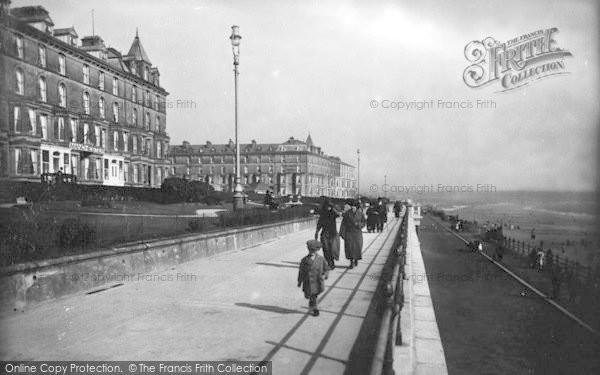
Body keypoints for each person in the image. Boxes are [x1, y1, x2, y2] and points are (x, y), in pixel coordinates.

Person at [297, 240, 329, 317]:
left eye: (313, 250)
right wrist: (299, 281)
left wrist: (325, 275)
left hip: (318, 281)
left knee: (315, 294)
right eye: (310, 250)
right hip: (308, 282)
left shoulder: (321, 259)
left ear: (317, 250)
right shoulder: (304, 260)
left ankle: (313, 305)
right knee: (312, 295)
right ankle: (315, 308)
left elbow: (326, 268)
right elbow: (301, 271)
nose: (312, 252)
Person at [340, 199, 366, 269]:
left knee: (357, 248)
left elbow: (364, 222)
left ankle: (356, 259)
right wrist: (342, 233)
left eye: (354, 206)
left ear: (357, 207)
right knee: (350, 248)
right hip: (349, 233)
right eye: (352, 206)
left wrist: (359, 224)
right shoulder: (347, 214)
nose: (353, 207)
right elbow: (343, 224)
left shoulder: (360, 213)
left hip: (357, 234)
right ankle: (351, 262)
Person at [315, 199, 341, 270]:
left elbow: (338, 214)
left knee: (332, 249)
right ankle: (328, 263)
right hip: (325, 234)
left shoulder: (333, 213)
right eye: (327, 206)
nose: (328, 208)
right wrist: (317, 231)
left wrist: (333, 209)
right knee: (326, 249)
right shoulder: (323, 214)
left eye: (330, 206)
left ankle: (332, 262)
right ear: (325, 206)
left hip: (333, 234)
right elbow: (319, 223)